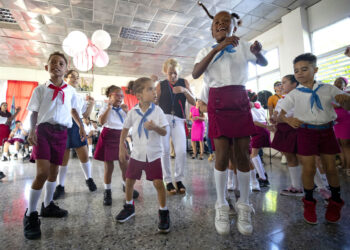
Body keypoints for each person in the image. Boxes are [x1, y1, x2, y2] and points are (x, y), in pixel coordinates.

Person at [193, 2, 267, 236]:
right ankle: (221, 204)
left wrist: (258, 53)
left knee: (242, 154)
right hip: (217, 100)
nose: (221, 24)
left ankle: (244, 203)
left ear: (234, 28)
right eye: (217, 22)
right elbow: (196, 73)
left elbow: (263, 63)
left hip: (238, 97)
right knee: (222, 154)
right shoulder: (206, 49)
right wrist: (217, 48)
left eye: (227, 22)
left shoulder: (244, 46)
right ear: (212, 30)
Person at [279, 53, 350, 224]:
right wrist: (289, 119)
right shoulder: (294, 94)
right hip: (305, 132)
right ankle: (309, 202)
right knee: (309, 168)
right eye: (296, 71)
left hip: (327, 131)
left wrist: (345, 101)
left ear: (315, 69)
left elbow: (346, 104)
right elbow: (280, 115)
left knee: (331, 168)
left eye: (304, 69)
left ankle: (335, 201)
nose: (300, 73)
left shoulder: (328, 89)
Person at [23, 51, 86, 240]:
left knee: (53, 173)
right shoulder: (40, 90)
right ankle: (30, 214)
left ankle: (48, 205)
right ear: (46, 67)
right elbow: (33, 111)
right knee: (42, 173)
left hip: (61, 133)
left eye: (61, 63)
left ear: (65, 69)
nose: (57, 65)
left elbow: (74, 110)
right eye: (53, 63)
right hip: (43, 131)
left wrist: (81, 126)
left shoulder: (70, 91)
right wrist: (32, 130)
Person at [116, 77, 170, 233]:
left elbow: (165, 131)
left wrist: (155, 128)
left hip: (153, 153)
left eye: (154, 88)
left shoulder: (158, 111)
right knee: (129, 180)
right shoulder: (133, 112)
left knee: (159, 183)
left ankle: (163, 211)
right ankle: (129, 206)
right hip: (137, 153)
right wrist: (121, 147)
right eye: (150, 89)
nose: (154, 92)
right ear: (139, 95)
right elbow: (125, 129)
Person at [53, 69, 96, 200]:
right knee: (64, 156)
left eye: (77, 77)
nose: (76, 79)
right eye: (73, 77)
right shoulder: (63, 90)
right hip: (66, 123)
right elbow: (71, 110)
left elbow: (85, 114)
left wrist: (91, 104)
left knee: (83, 153)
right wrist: (81, 126)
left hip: (77, 124)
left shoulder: (79, 95)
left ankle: (89, 179)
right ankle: (60, 186)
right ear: (66, 78)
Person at [94, 85, 139, 206]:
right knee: (109, 167)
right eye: (117, 95)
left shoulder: (123, 108)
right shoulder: (105, 107)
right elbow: (101, 122)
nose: (120, 98)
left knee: (125, 165)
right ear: (110, 96)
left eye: (122, 96)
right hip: (108, 136)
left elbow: (133, 123)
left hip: (120, 137)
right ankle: (107, 191)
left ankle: (126, 187)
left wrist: (127, 111)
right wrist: (109, 107)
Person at [157, 58, 195, 195]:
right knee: (165, 151)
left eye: (175, 73)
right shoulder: (161, 85)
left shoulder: (184, 82)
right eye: (170, 73)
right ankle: (167, 180)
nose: (173, 76)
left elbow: (194, 102)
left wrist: (184, 90)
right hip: (164, 119)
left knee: (181, 151)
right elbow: (155, 103)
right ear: (165, 73)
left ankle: (179, 179)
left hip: (179, 119)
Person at [271, 75, 303, 196]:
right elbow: (277, 113)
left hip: (294, 129)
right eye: (280, 83)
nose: (281, 85)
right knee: (290, 157)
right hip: (283, 129)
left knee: (305, 158)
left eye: (284, 82)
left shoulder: (299, 96)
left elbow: (297, 115)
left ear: (294, 84)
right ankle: (296, 187)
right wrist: (274, 118)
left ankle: (321, 186)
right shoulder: (281, 99)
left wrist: (282, 119)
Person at [248, 91, 273, 187]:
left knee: (253, 155)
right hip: (263, 130)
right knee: (255, 154)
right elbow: (265, 119)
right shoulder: (259, 105)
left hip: (258, 130)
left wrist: (266, 127)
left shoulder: (251, 108)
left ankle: (263, 178)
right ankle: (262, 173)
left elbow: (254, 122)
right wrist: (267, 127)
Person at [333, 77, 350, 176]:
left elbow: (337, 105)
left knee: (346, 145)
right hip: (336, 123)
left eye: (340, 82)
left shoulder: (347, 94)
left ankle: (349, 168)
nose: (337, 84)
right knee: (339, 145)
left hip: (345, 122)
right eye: (335, 82)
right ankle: (343, 165)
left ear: (345, 85)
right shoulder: (332, 95)